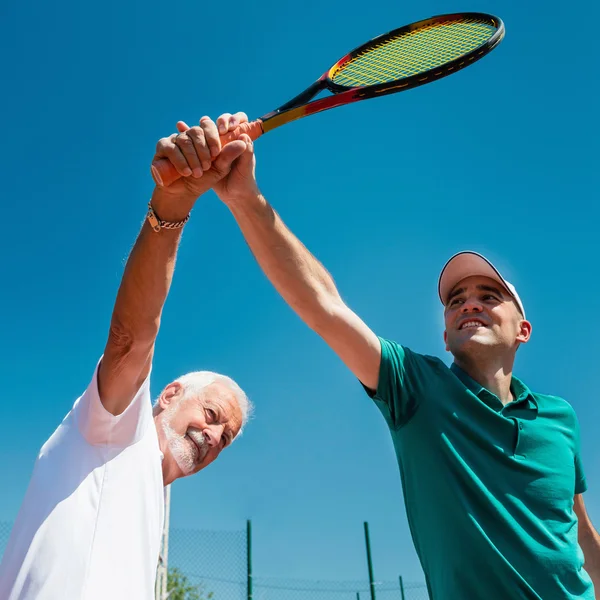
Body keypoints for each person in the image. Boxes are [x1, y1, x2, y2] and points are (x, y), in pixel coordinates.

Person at [181, 111, 598, 599]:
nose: (469, 302)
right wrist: (244, 199)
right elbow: (324, 306)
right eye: (455, 299)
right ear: (445, 336)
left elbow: (580, 533)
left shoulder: (559, 419)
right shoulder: (417, 389)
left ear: (522, 329)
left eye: (489, 295)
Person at [0, 120, 253, 600]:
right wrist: (172, 206)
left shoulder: (150, 501)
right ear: (170, 394)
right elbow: (129, 342)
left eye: (228, 437)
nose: (215, 437)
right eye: (214, 416)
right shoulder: (119, 433)